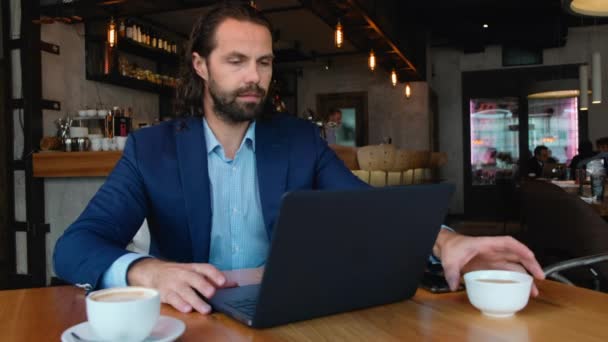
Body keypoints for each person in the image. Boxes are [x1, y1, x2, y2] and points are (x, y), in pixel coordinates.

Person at [53, 2, 544, 315]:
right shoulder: (151, 148)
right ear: (200, 66)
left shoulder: (300, 141)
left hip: (288, 310)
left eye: (264, 62)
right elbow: (75, 247)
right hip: (193, 319)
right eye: (236, 61)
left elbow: (365, 208)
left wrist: (447, 240)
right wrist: (146, 270)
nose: (254, 77)